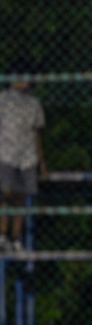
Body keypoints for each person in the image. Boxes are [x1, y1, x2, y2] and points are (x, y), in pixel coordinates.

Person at [0, 78, 45, 251]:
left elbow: (36, 134)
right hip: (6, 155)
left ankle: (15, 238)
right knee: (5, 196)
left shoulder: (33, 103)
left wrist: (41, 163)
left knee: (21, 198)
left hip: (27, 157)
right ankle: (3, 235)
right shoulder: (3, 99)